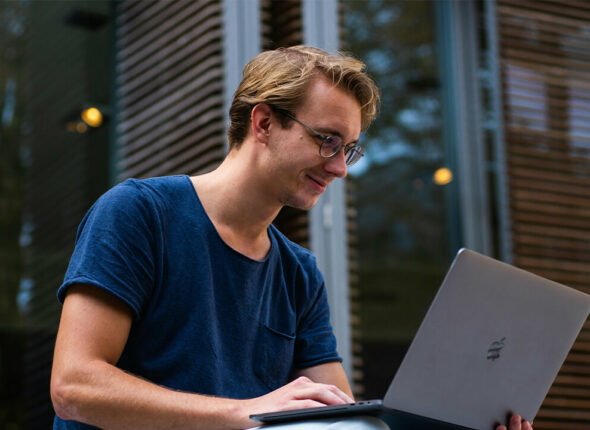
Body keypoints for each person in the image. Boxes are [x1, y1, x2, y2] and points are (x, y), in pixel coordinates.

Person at [50, 46, 531, 430]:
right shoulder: (138, 213)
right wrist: (246, 412)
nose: (340, 167)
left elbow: (340, 419)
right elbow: (74, 388)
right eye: (327, 140)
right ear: (263, 123)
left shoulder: (299, 273)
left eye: (349, 150)